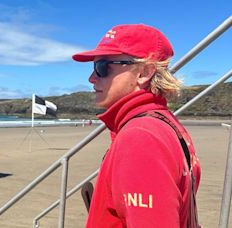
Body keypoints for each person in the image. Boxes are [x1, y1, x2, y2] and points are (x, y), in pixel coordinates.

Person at [72, 24, 201, 227]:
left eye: (103, 67)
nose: (92, 78)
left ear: (144, 72)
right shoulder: (166, 123)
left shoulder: (141, 137)